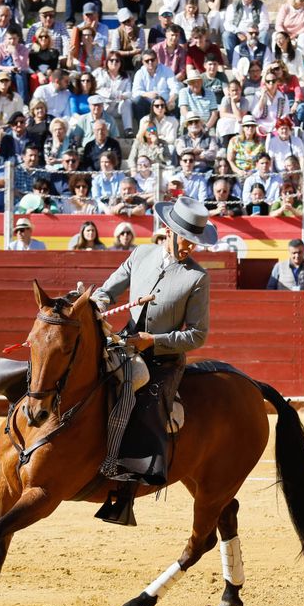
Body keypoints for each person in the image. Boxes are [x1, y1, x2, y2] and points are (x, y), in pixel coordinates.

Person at [90, 195, 215, 525]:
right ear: (167, 231)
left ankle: (124, 492)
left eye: (194, 241)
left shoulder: (197, 277)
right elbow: (107, 290)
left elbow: (197, 334)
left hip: (163, 359)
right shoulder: (141, 254)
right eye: (184, 238)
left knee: (145, 408)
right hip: (124, 345)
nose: (189, 246)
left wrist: (153, 341)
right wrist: (96, 304)